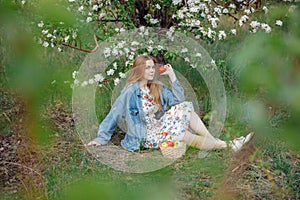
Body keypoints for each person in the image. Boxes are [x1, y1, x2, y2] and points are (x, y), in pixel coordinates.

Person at [87, 55, 253, 152]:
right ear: (139, 71)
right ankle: (227, 145)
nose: (152, 71)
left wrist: (173, 76)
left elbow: (179, 104)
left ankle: (218, 143)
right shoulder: (129, 92)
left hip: (162, 125)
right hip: (145, 135)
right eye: (148, 68)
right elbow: (114, 114)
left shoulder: (156, 88)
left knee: (186, 108)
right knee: (181, 135)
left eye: (153, 67)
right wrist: (101, 138)